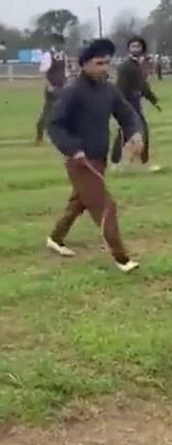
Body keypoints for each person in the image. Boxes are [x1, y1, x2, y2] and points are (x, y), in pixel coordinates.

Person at [45, 38, 143, 272]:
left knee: (79, 202)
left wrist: (135, 133)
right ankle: (122, 259)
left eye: (107, 63)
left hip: (99, 158)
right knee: (105, 206)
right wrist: (73, 148)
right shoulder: (73, 91)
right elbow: (54, 124)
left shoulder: (109, 90)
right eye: (99, 63)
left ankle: (55, 238)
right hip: (80, 161)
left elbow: (126, 113)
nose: (104, 68)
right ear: (85, 64)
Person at [111, 35, 161, 170]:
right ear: (129, 48)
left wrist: (153, 100)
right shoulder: (125, 66)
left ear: (142, 48)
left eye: (138, 46)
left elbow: (143, 86)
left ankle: (121, 162)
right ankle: (119, 162)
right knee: (129, 132)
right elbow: (120, 87)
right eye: (132, 46)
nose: (135, 49)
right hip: (127, 104)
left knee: (131, 132)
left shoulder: (139, 65)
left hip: (135, 103)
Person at [35, 33, 69, 145]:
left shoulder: (63, 56)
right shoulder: (48, 55)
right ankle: (40, 134)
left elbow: (65, 72)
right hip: (52, 89)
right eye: (60, 43)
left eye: (62, 43)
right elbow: (43, 72)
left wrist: (66, 84)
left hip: (62, 88)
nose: (61, 46)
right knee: (48, 112)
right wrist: (48, 85)